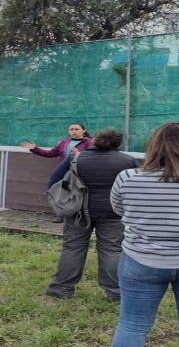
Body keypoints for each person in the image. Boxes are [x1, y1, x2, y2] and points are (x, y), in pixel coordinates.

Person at [110, 123, 179, 347]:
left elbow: (119, 209)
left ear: (154, 146)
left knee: (132, 325)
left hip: (142, 259)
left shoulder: (128, 177)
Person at [45, 129, 138, 301]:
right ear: (118, 143)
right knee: (112, 250)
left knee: (72, 248)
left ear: (95, 140)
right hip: (113, 213)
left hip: (78, 211)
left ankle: (61, 289)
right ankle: (115, 293)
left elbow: (53, 180)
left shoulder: (77, 158)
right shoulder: (127, 161)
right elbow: (138, 187)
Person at [22, 123, 94, 223]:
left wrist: (80, 154)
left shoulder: (89, 142)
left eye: (77, 129)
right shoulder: (64, 142)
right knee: (55, 187)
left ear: (84, 130)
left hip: (79, 171)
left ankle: (79, 213)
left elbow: (93, 156)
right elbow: (51, 153)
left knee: (77, 191)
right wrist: (35, 149)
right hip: (63, 170)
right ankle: (61, 213)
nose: (74, 131)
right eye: (71, 129)